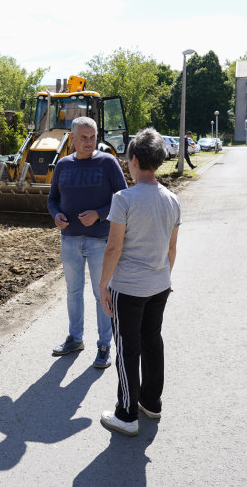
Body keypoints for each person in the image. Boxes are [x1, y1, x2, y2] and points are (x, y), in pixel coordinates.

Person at [97, 128, 180, 436]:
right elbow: (172, 249)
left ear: (133, 160)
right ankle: (151, 402)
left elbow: (114, 248)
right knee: (152, 341)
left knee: (128, 349)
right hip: (160, 286)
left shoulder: (124, 199)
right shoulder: (172, 200)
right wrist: (166, 277)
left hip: (129, 289)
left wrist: (103, 285)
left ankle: (126, 414)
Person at [48, 116, 128, 369]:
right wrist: (56, 215)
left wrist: (99, 214)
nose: (89, 142)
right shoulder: (63, 165)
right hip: (69, 239)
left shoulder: (107, 162)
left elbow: (123, 196)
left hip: (100, 240)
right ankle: (75, 338)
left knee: (101, 292)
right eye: (83, 137)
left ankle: (104, 345)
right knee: (73, 292)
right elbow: (52, 199)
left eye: (92, 137)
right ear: (72, 138)